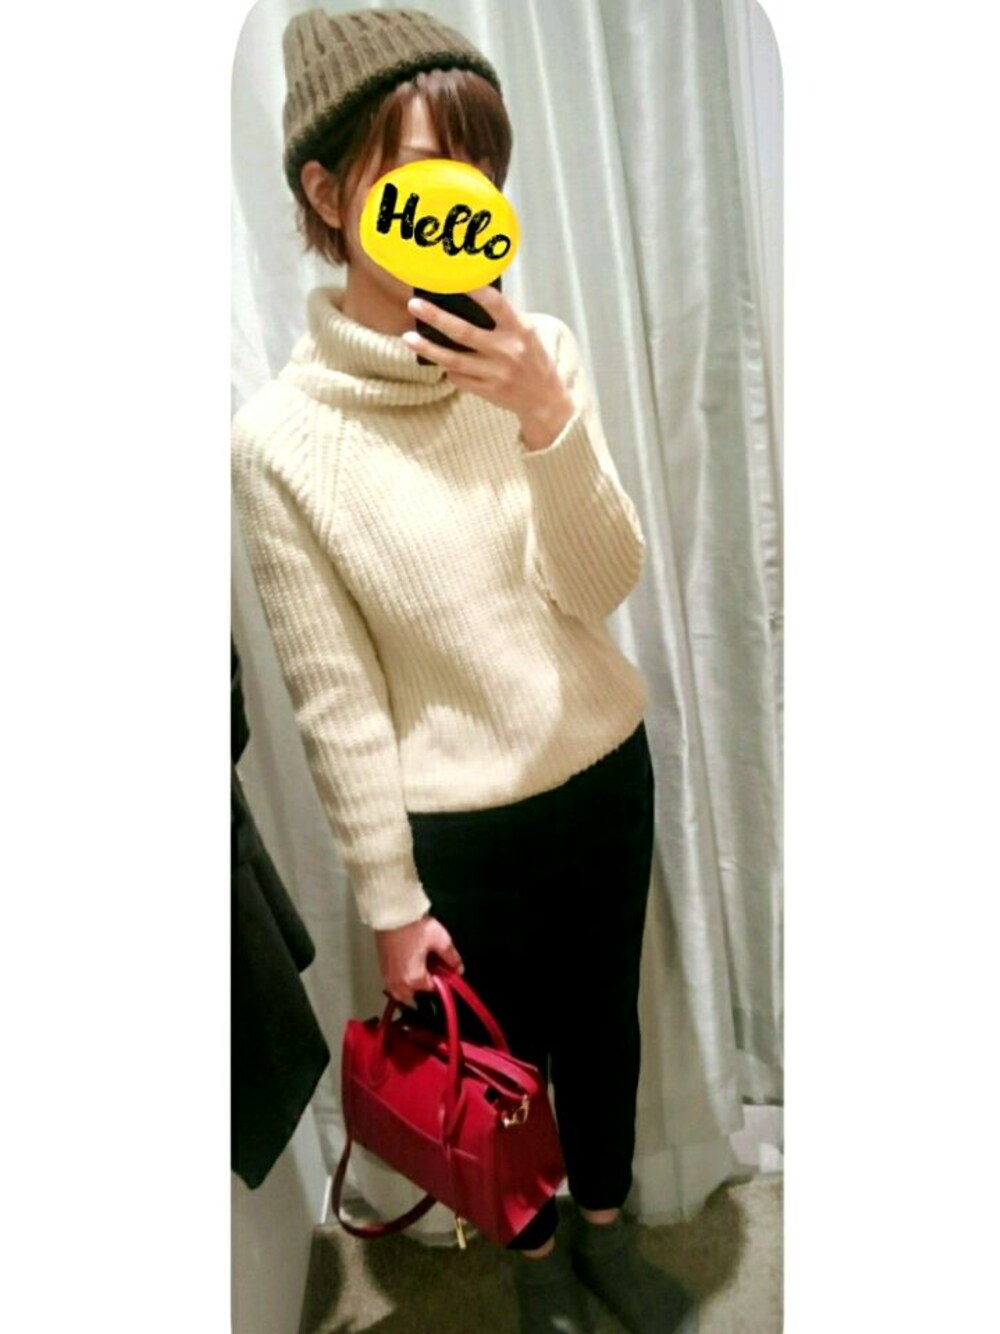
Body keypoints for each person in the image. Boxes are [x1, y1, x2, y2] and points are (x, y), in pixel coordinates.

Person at [231, 8, 696, 1333]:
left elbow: (602, 586)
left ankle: (603, 1234)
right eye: (426, 171)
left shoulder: (539, 355)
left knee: (604, 1031)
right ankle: (538, 1266)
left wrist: (545, 417)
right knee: (495, 1078)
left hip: (601, 771)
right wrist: (389, 901)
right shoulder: (280, 444)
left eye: (480, 170)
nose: (465, 200)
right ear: (330, 194)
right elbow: (338, 701)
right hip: (456, 827)